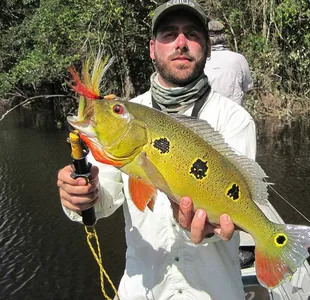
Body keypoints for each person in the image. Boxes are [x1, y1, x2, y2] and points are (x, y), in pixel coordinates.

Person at [57, 1, 257, 299]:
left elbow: (233, 205)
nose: (181, 43)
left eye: (192, 34)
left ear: (208, 48)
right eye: (168, 34)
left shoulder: (234, 118)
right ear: (152, 48)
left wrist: (212, 228)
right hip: (143, 291)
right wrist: (81, 194)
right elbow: (104, 202)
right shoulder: (123, 118)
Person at [204, 20, 253, 106]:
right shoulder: (239, 59)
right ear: (224, 37)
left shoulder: (200, 61)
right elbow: (248, 87)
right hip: (235, 116)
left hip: (206, 116)